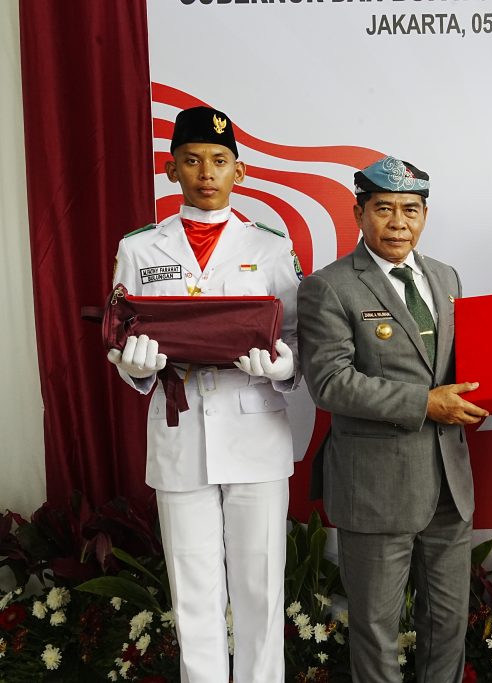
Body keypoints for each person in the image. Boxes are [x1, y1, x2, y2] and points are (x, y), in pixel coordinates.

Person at [297, 156, 492, 683]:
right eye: (384, 210)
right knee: (376, 628)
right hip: (376, 489)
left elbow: (468, 368)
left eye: (410, 210)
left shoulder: (445, 277)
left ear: (425, 215)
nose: (398, 222)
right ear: (358, 213)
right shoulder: (330, 287)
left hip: (449, 484)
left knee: (447, 623)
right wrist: (424, 402)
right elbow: (330, 382)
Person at [106, 106, 301, 683]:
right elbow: (123, 335)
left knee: (260, 591)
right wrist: (133, 365)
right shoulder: (140, 248)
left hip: (254, 430)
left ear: (239, 173)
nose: (206, 172)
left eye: (219, 161)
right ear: (172, 170)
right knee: (194, 597)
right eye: (192, 160)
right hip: (179, 430)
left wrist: (282, 365)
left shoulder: (267, 245)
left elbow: (296, 335)